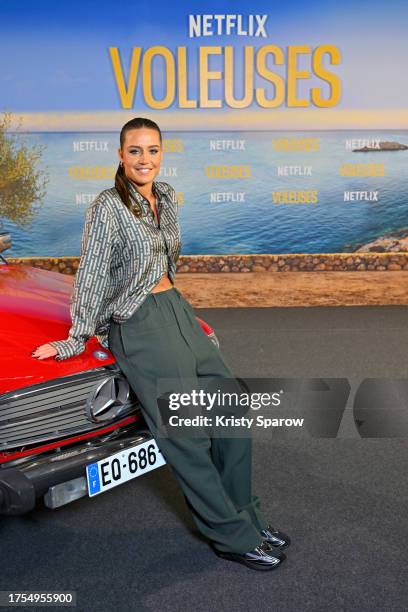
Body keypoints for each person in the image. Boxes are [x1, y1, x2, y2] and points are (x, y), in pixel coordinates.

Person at [32, 117, 291, 571]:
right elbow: (92, 273)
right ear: (120, 155)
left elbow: (165, 258)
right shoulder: (107, 206)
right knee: (186, 435)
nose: (144, 159)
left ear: (162, 154)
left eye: (152, 150)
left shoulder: (166, 196)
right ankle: (231, 536)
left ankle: (247, 516)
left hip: (177, 310)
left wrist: (173, 300)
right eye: (135, 151)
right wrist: (77, 338)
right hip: (139, 324)